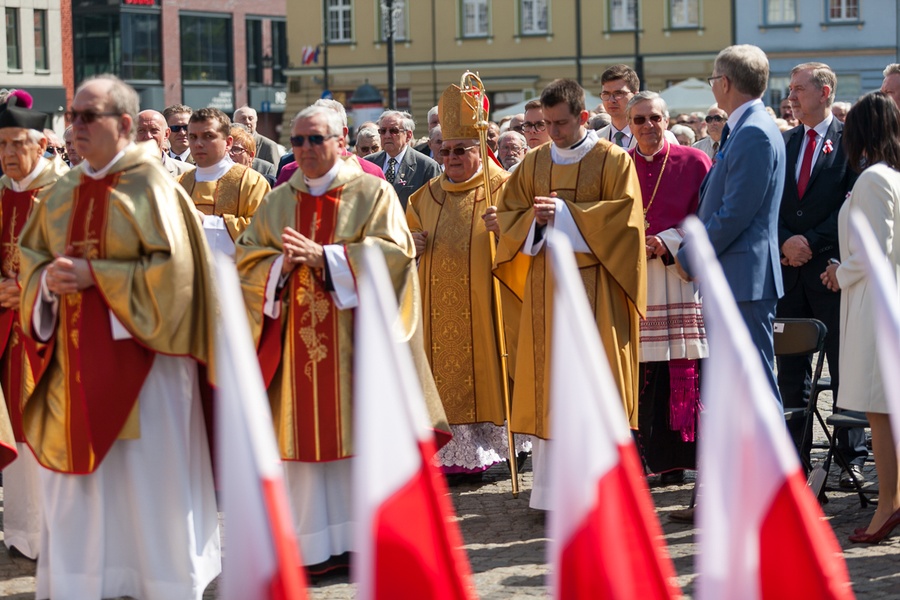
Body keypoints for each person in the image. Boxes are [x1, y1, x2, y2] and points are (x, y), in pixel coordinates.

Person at [18, 74, 220, 600]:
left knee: (149, 481)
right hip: (74, 361)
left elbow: (179, 275)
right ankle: (87, 581)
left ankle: (162, 581)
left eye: (90, 116)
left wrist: (97, 276)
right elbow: (32, 260)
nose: (77, 126)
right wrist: (45, 283)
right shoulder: (62, 191)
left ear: (124, 124)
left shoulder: (153, 185)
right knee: (82, 486)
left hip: (148, 364)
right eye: (73, 116)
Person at [236, 104, 449, 573]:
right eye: (298, 140)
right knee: (301, 446)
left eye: (316, 139)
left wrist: (328, 258)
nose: (305, 149)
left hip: (357, 344)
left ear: (340, 141)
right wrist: (279, 265)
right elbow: (247, 259)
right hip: (295, 345)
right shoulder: (278, 200)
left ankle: (362, 541)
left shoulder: (372, 192)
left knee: (359, 438)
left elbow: (396, 256)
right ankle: (311, 546)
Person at [494, 78, 645, 510]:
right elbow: (509, 214)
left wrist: (563, 213)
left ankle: (598, 490)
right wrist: (532, 223)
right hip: (545, 291)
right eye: (546, 123)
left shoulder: (613, 160)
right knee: (550, 387)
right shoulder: (534, 162)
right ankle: (550, 494)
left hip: (599, 291)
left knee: (595, 384)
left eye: (561, 123)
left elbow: (627, 223)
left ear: (582, 116)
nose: (553, 132)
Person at [407, 83, 527, 481]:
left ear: (480, 147)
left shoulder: (505, 189)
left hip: (490, 310)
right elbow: (400, 248)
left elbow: (533, 243)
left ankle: (503, 448)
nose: (452, 158)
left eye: (461, 149)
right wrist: (410, 245)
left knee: (492, 373)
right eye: (445, 151)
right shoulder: (423, 198)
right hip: (438, 316)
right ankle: (452, 452)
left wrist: (507, 229)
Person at [676, 44, 785, 402]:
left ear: (724, 82)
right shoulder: (748, 127)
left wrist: (691, 256)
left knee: (753, 389)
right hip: (736, 276)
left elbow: (735, 212)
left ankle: (774, 445)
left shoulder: (753, 131)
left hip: (744, 279)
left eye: (712, 80)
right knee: (737, 393)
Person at [777, 63, 866, 484]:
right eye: (791, 89)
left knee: (844, 368)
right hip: (788, 274)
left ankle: (852, 457)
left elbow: (852, 202)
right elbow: (769, 201)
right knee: (790, 374)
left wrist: (809, 241)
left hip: (830, 273)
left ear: (825, 92)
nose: (791, 97)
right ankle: (794, 460)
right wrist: (784, 242)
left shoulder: (851, 142)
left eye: (799, 89)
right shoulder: (784, 142)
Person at [820, 92, 900, 544]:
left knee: (880, 409)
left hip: (875, 301)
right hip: (885, 293)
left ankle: (888, 503)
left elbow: (875, 249)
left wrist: (839, 271)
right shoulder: (891, 175)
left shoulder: (873, 178)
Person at [625, 92, 710, 485]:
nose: (648, 126)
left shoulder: (693, 162)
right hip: (634, 281)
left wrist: (669, 241)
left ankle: (677, 462)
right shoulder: (619, 164)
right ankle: (642, 460)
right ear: (629, 125)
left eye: (655, 118)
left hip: (678, 278)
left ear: (667, 119)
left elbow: (709, 217)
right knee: (640, 375)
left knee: (679, 372)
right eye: (639, 119)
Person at [0, 103, 68, 560]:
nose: (7, 154)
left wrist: (29, 287)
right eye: (1, 145)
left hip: (53, 333)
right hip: (9, 332)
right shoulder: (1, 193)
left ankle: (59, 535)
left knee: (51, 427)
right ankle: (22, 531)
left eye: (17, 144)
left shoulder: (65, 192)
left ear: (42, 144)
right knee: (16, 425)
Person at [179, 107, 269, 257]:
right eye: (193, 137)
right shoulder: (178, 184)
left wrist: (206, 223)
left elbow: (264, 231)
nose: (198, 143)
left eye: (208, 136)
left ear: (228, 143)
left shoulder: (252, 182)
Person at [275, 98, 385, 187]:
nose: (306, 146)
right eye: (299, 139)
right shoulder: (289, 173)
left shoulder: (371, 174)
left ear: (342, 134)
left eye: (316, 138)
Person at [365, 110, 441, 209]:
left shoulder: (427, 167)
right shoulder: (368, 163)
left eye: (393, 131)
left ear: (408, 135)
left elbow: (434, 208)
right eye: (383, 131)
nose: (387, 136)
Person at [596, 64, 678, 149]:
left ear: (635, 95)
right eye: (606, 94)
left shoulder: (661, 136)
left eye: (618, 93)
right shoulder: (596, 139)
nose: (611, 100)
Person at [135, 109, 195, 178]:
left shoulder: (187, 173)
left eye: (154, 130)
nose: (148, 136)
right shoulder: (125, 173)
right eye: (141, 131)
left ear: (166, 134)